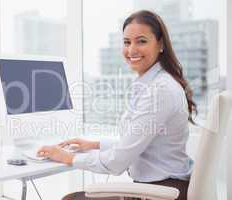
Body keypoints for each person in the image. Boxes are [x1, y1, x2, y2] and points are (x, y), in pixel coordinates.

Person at [37, 10, 197, 200]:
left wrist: (67, 157)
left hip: (164, 192)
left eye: (141, 41)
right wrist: (94, 144)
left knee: (71, 199)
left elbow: (117, 162)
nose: (131, 50)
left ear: (160, 44)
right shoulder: (153, 84)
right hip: (161, 188)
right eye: (127, 42)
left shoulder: (160, 90)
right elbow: (137, 143)